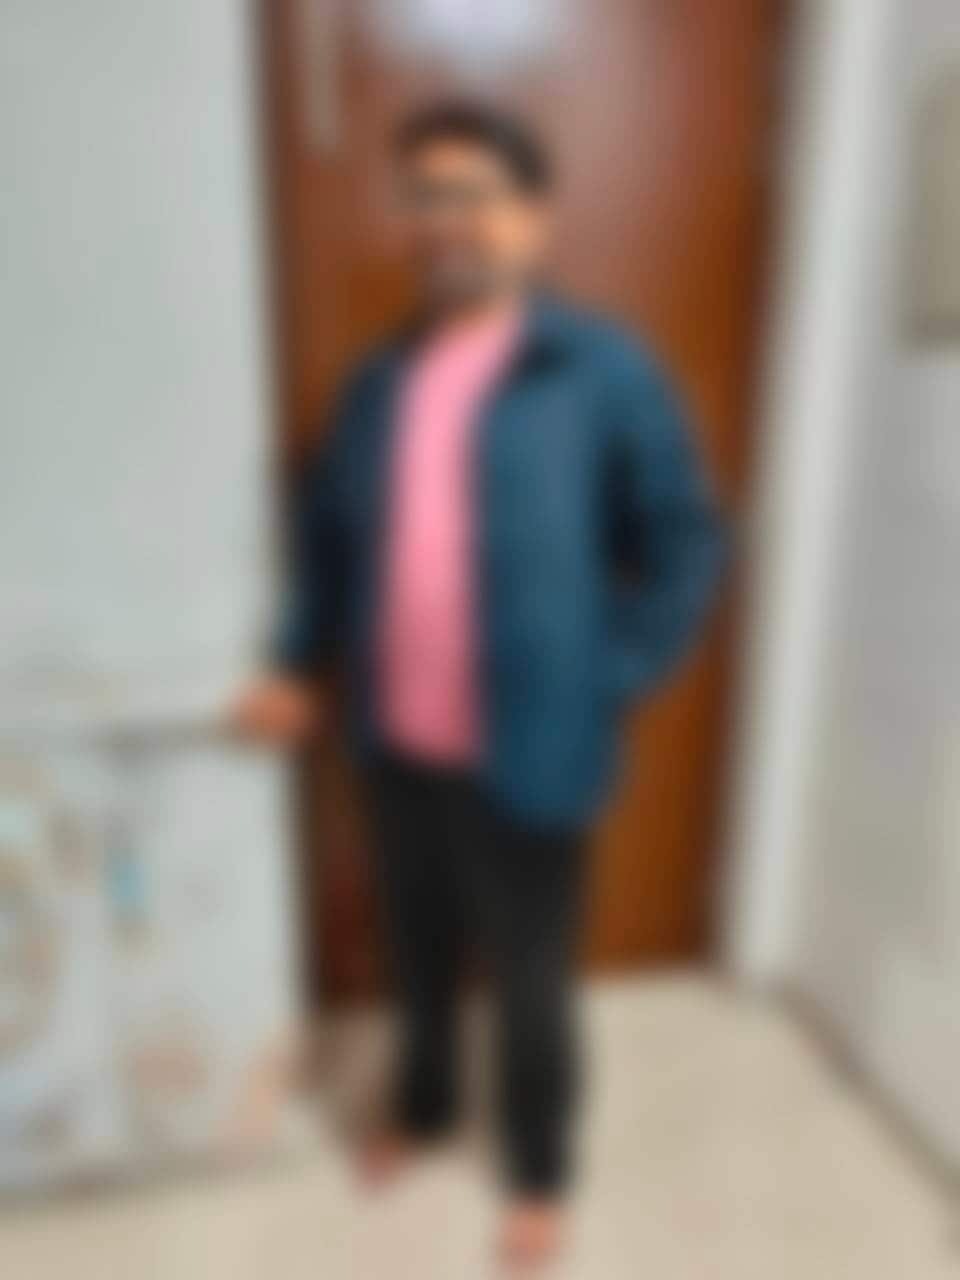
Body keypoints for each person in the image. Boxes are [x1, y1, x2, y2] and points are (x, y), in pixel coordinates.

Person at [235, 100, 726, 1268]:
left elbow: (689, 539)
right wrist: (297, 661)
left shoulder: (598, 370)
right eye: (423, 197)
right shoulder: (377, 384)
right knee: (415, 950)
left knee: (531, 978)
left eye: (472, 194)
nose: (444, 219)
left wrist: (614, 668)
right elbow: (330, 548)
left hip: (536, 741)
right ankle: (424, 1106)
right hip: (395, 738)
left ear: (533, 217)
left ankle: (540, 1167)